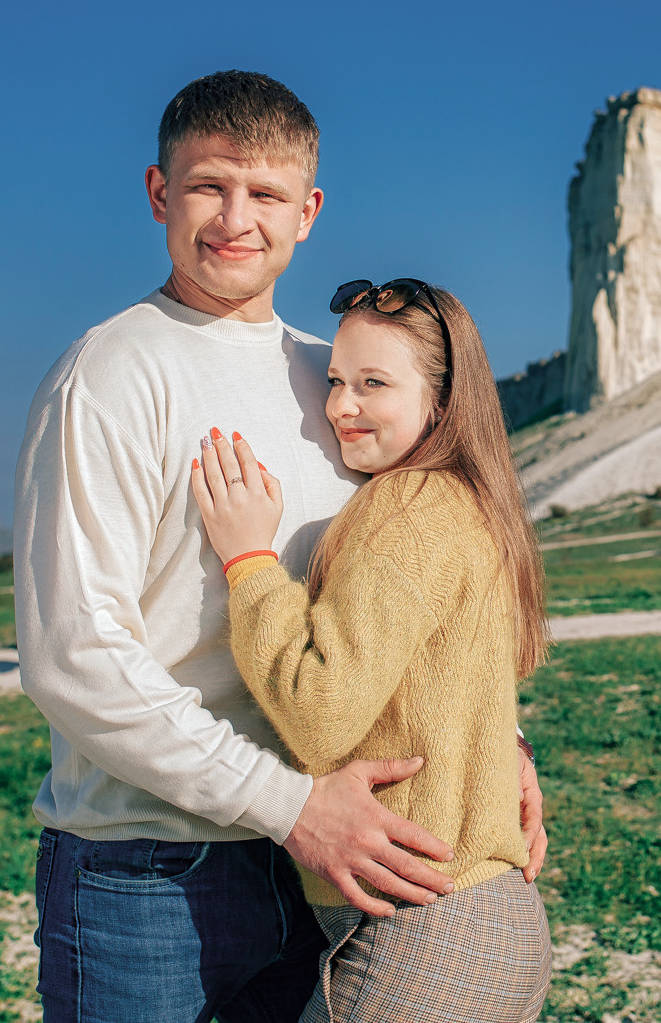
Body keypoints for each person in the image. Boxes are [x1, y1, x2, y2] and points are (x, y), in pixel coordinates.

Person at [13, 73, 546, 1022]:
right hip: (151, 871)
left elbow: (408, 600)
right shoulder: (110, 375)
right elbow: (74, 657)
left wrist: (492, 742)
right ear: (157, 193)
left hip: (326, 870)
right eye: (207, 186)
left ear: (309, 210)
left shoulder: (338, 375)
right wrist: (289, 806)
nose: (235, 219)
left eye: (264, 194)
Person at [190, 277, 552, 1021]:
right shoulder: (468, 502)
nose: (338, 406)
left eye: (373, 383)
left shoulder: (404, 507)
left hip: (424, 934)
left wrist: (249, 560)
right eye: (335, 381)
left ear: (442, 403)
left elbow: (320, 710)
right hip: (498, 921)